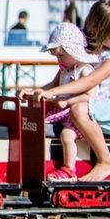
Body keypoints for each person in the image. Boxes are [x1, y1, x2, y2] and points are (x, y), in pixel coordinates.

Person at [36, 0, 110, 182]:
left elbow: (90, 81)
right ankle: (68, 168)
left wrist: (54, 93)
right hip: (96, 105)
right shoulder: (85, 50)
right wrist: (36, 91)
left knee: (78, 108)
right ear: (100, 29)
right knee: (66, 119)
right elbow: (57, 81)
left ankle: (105, 161)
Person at [25, 23, 99, 181]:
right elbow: (52, 86)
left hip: (77, 117)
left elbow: (91, 95)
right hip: (63, 114)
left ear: (73, 51)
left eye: (61, 55)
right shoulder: (64, 70)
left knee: (66, 135)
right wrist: (34, 92)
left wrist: (69, 101)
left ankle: (69, 169)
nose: (59, 60)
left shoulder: (85, 70)